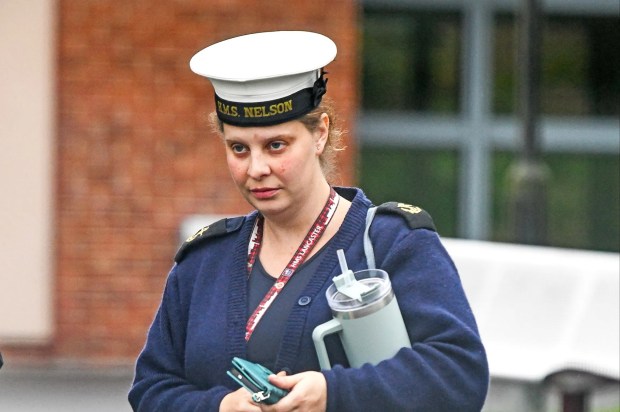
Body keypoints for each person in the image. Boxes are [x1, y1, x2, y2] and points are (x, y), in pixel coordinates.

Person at [129, 31, 489, 412]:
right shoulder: (203, 261)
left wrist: (333, 393)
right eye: (239, 148)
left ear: (320, 134)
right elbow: (152, 389)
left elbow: (459, 374)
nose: (257, 168)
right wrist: (220, 408)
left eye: (276, 145)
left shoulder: (392, 243)